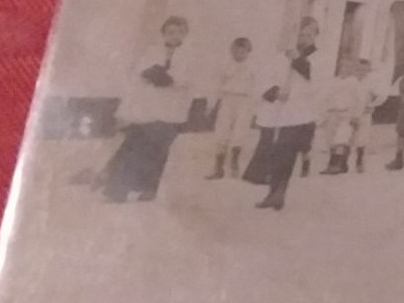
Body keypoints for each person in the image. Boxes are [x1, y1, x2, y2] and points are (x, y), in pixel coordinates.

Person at [99, 15, 195, 203]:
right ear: (163, 34)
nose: (174, 36)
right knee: (137, 147)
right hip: (149, 109)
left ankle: (150, 189)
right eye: (170, 32)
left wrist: (172, 79)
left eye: (179, 32)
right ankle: (118, 189)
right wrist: (149, 73)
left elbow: (190, 78)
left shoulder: (190, 54)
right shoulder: (153, 50)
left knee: (160, 151)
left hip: (172, 110)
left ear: (185, 34)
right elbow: (138, 71)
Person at [243, 17, 321, 211]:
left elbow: (317, 82)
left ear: (316, 36)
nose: (305, 37)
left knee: (288, 153)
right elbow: (263, 79)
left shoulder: (319, 57)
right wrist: (275, 92)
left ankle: (280, 193)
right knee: (274, 152)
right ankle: (271, 192)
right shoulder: (280, 57)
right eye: (301, 33)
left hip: (299, 115)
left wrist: (297, 61)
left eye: (310, 34)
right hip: (276, 112)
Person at [207, 36, 258, 180]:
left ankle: (235, 162)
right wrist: (211, 104)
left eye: (243, 51)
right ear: (231, 51)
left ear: (248, 52)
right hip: (228, 99)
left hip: (245, 101)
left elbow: (256, 88)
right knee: (222, 131)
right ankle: (218, 167)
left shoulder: (252, 68)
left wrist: (255, 110)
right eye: (236, 51)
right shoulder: (225, 66)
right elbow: (216, 86)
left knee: (240, 132)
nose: (239, 54)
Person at [321, 58, 381, 175]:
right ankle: (337, 164)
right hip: (333, 113)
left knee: (342, 138)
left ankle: (335, 164)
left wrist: (357, 114)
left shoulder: (354, 82)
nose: (346, 70)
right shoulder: (333, 81)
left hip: (347, 113)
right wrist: (324, 112)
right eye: (344, 67)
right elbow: (325, 97)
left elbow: (360, 100)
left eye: (349, 68)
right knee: (331, 139)